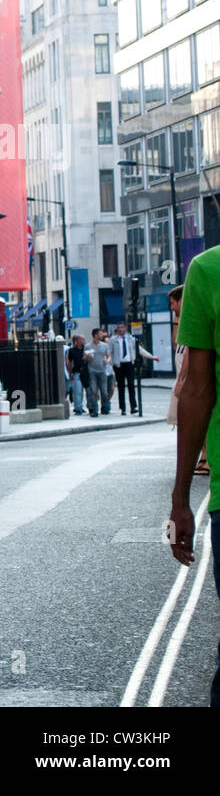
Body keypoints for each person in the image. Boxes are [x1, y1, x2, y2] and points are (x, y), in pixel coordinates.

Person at [167, 246, 220, 707]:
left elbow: (198, 388)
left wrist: (181, 499)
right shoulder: (207, 271)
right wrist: (181, 496)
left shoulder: (208, 269)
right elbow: (196, 387)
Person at [169, 285, 210, 471]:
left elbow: (189, 352)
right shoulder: (184, 319)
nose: (171, 308)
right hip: (185, 378)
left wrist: (181, 380)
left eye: (172, 303)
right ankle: (204, 456)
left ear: (180, 301)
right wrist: (177, 320)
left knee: (197, 421)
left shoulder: (195, 318)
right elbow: (177, 345)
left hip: (190, 379)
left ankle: (205, 458)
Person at [110, 322, 158, 415]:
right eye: (119, 327)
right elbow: (110, 352)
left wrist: (152, 357)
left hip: (129, 364)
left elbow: (139, 350)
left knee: (131, 386)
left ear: (125, 328)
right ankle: (122, 408)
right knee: (121, 387)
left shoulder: (131, 339)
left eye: (122, 327)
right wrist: (111, 363)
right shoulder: (113, 340)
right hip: (119, 365)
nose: (120, 329)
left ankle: (133, 407)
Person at [88, 327, 113, 418]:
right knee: (94, 391)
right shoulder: (88, 346)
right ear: (95, 335)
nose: (102, 335)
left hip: (102, 370)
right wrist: (87, 357)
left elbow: (109, 356)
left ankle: (104, 407)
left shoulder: (104, 346)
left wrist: (107, 361)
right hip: (92, 371)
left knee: (104, 391)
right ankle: (94, 410)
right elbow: (84, 358)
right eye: (100, 334)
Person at [66, 333, 89, 415]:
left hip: (86, 373)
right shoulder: (71, 351)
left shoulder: (86, 350)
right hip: (77, 372)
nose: (84, 341)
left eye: (84, 339)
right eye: (82, 339)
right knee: (77, 391)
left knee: (87, 391)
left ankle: (87, 406)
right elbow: (68, 362)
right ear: (77, 341)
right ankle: (78, 408)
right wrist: (70, 372)